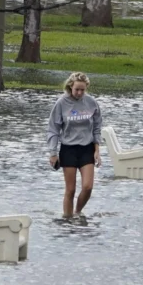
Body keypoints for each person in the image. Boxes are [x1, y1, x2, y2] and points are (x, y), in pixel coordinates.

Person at [47, 72, 103, 218]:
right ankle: (67, 220)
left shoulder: (91, 102)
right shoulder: (61, 103)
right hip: (68, 149)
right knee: (70, 190)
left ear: (86, 88)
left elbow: (97, 127)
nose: (79, 93)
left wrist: (97, 150)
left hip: (86, 148)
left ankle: (77, 213)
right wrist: (53, 153)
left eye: (82, 90)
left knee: (88, 187)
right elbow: (53, 129)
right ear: (70, 86)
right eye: (77, 89)